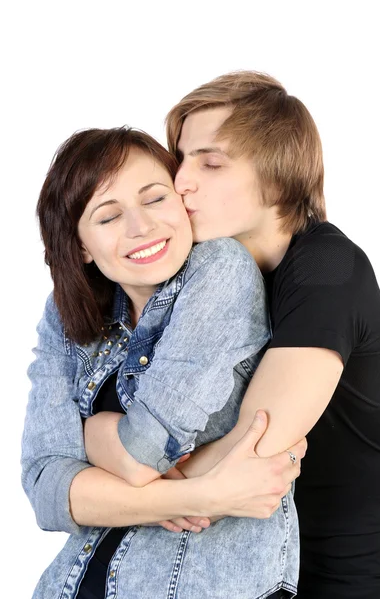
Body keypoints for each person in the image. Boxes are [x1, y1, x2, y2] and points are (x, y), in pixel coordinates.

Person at [21, 127, 305, 599]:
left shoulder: (220, 268)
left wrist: (89, 434)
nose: (141, 227)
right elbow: (46, 490)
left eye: (155, 199)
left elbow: (143, 453)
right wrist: (205, 496)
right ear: (81, 247)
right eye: (109, 216)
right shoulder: (64, 314)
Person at [157, 70, 380, 598]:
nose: (181, 181)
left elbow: (254, 448)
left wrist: (126, 482)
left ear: (277, 178)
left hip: (338, 582)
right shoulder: (213, 276)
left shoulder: (328, 267)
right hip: (243, 573)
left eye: (211, 162)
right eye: (180, 159)